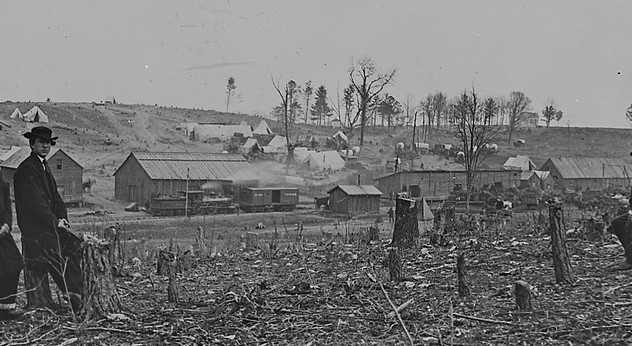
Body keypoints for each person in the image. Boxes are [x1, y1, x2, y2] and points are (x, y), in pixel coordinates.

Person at [13, 126, 82, 310]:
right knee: (56, 254)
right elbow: (36, 205)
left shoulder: (44, 166)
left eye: (48, 143)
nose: (45, 146)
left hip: (48, 225)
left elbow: (56, 198)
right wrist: (55, 222)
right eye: (41, 142)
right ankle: (74, 295)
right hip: (35, 229)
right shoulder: (27, 169)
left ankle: (76, 293)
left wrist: (63, 218)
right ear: (31, 144)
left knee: (75, 245)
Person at [0, 173, 24, 319]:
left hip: (2, 232)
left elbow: (7, 206)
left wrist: (6, 225)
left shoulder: (1, 181)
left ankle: (5, 307)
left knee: (13, 263)